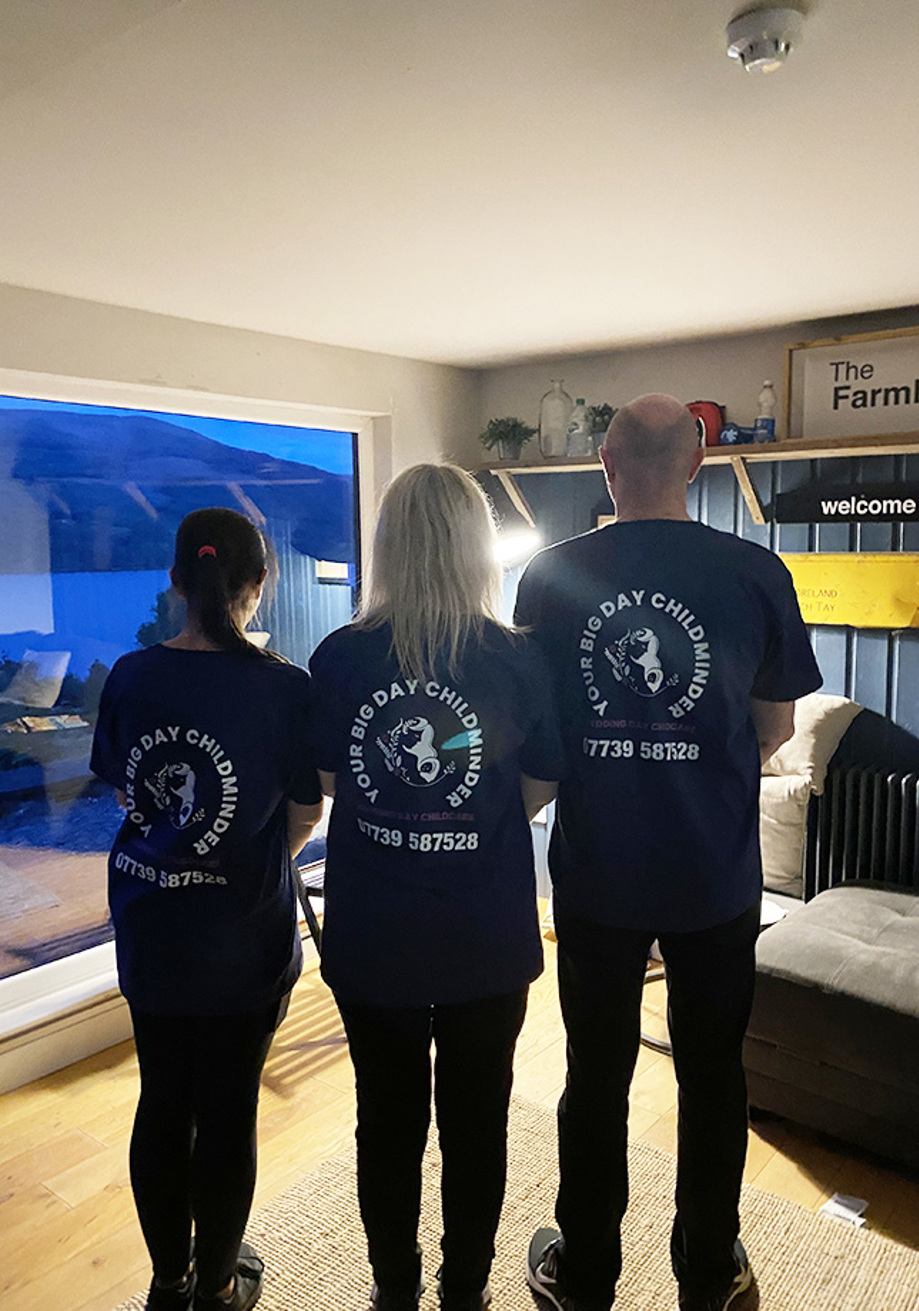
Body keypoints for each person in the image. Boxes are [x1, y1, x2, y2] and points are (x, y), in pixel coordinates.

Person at [516, 395, 822, 1311]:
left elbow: (540, 733)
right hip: (715, 874)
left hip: (598, 874)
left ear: (605, 464)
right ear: (695, 465)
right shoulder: (755, 570)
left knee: (594, 1074)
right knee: (711, 1074)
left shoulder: (546, 574)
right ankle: (707, 1268)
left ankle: (588, 1268)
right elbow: (773, 728)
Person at [307, 463, 564, 1311]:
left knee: (383, 1122)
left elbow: (333, 779)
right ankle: (464, 1293)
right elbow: (534, 787)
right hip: (482, 933)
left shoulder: (341, 656)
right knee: (475, 1125)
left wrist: (402, 805)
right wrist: (469, 815)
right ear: (474, 545)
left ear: (389, 545)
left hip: (372, 930)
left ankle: (393, 1291)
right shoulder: (517, 658)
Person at [91, 507, 323, 1311]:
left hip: (151, 925)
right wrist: (241, 859)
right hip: (244, 936)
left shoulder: (129, 675)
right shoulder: (286, 688)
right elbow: (302, 814)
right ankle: (219, 1284)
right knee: (227, 1109)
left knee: (162, 1099)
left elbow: (127, 789)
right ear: (260, 584)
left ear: (176, 580)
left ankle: (167, 1280)